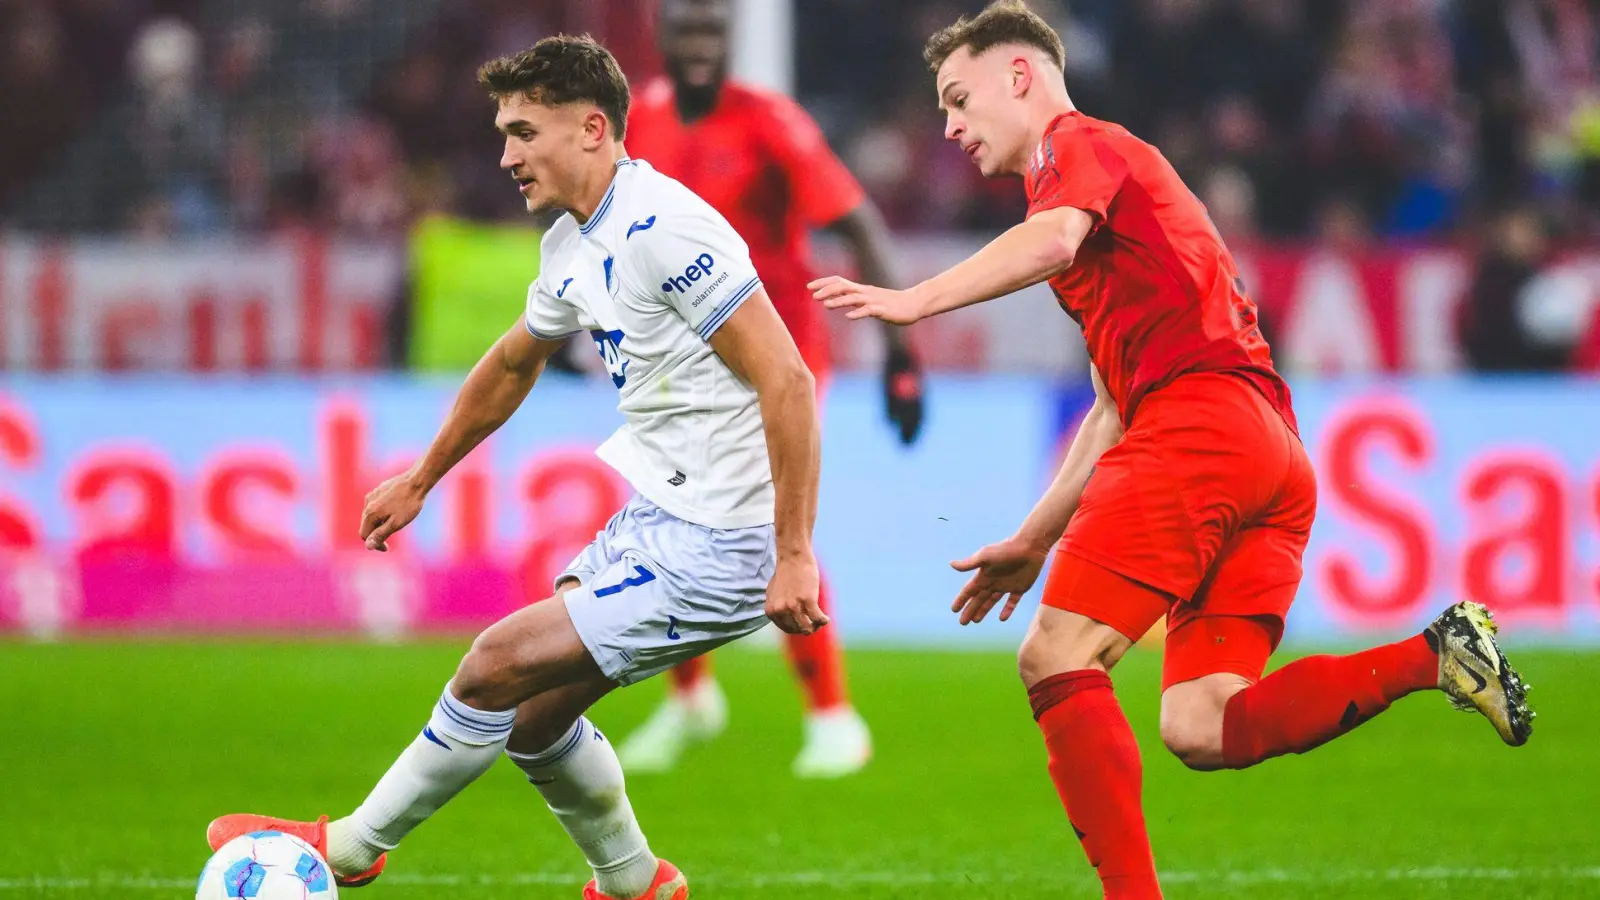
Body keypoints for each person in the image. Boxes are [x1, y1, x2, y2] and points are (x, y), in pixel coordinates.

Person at [811, 3, 1535, 897]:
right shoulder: (1113, 200)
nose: (950, 126)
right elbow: (1114, 405)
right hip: (1267, 450)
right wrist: (1036, 538)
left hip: (1199, 427)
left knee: (1055, 657)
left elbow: (1053, 242)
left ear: (1021, 77)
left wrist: (917, 301)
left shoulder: (1073, 149)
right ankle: (1436, 656)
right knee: (1202, 722)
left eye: (960, 100)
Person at [206, 35, 828, 900]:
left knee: (493, 664)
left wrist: (793, 552)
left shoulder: (667, 230)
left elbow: (788, 380)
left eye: (523, 132)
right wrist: (421, 477)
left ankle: (348, 848)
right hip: (658, 517)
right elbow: (511, 363)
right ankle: (637, 883)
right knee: (535, 720)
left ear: (592, 127)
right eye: (503, 133)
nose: (506, 155)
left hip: (723, 541)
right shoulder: (572, 245)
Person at [614, 0, 923, 779]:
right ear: (661, 37)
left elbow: (862, 228)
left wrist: (901, 353)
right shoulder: (638, 121)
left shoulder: (770, 122)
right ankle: (690, 699)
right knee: (671, 516)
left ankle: (833, 717)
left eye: (713, 33)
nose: (699, 46)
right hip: (676, 364)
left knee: (772, 526)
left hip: (777, 359)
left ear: (729, 40)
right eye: (686, 30)